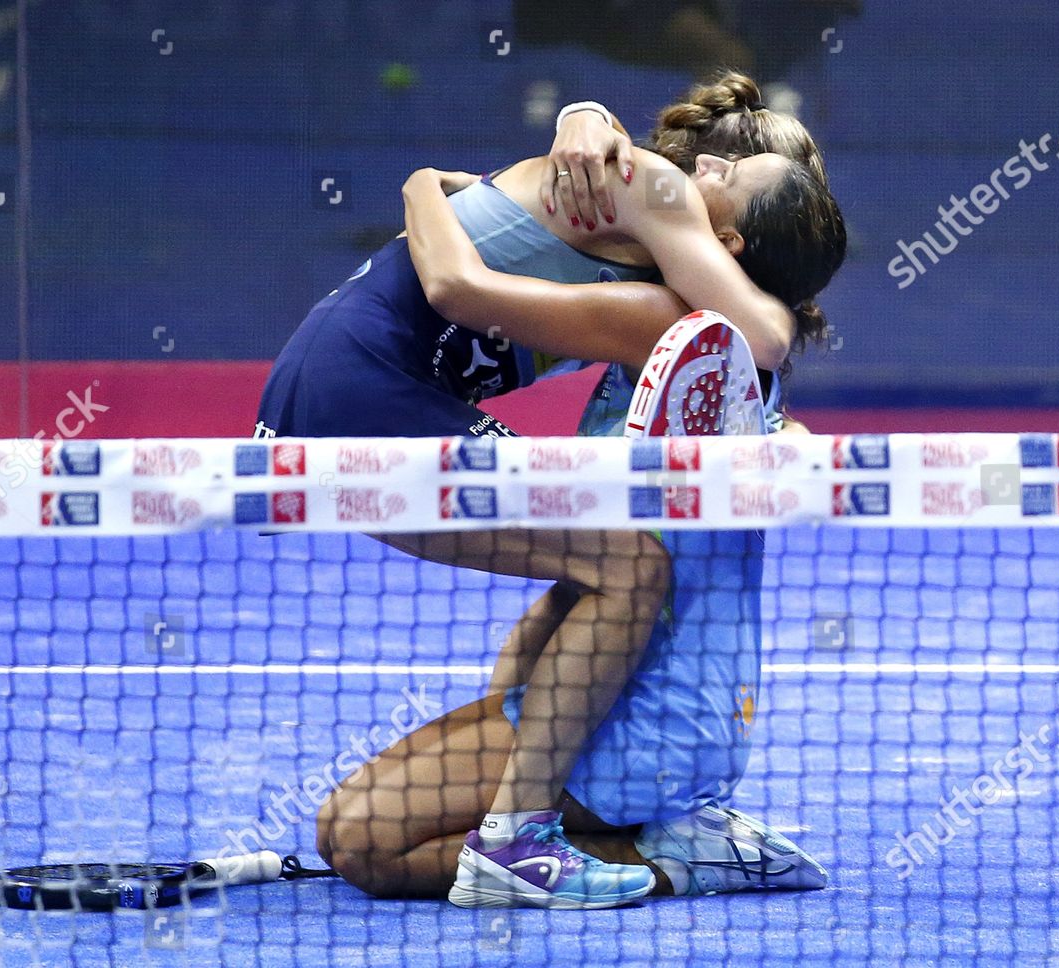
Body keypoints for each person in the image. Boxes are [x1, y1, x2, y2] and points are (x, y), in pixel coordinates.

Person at [313, 74, 845, 906]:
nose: (689, 170)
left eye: (720, 176)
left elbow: (463, 292)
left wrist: (422, 185)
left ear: (728, 247)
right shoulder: (703, 363)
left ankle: (652, 857)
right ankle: (622, 836)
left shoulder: (665, 324)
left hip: (655, 717)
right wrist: (580, 116)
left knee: (364, 846)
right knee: (353, 838)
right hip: (660, 704)